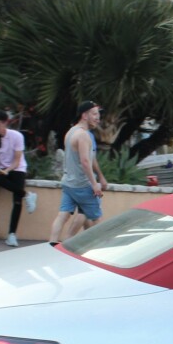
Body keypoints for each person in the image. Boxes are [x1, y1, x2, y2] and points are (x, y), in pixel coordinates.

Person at [50, 101, 107, 245]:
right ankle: (105, 249)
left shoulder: (70, 132)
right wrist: (94, 184)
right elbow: (85, 161)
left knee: (62, 215)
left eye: (98, 114)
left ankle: (52, 244)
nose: (97, 118)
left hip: (68, 183)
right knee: (97, 218)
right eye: (94, 114)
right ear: (84, 115)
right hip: (82, 185)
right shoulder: (83, 135)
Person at [0, 109, 28, 247]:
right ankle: (28, 195)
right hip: (0, 170)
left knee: (17, 199)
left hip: (17, 168)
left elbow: (17, 160)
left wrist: (6, 171)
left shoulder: (17, 136)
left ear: (4, 124)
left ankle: (12, 234)